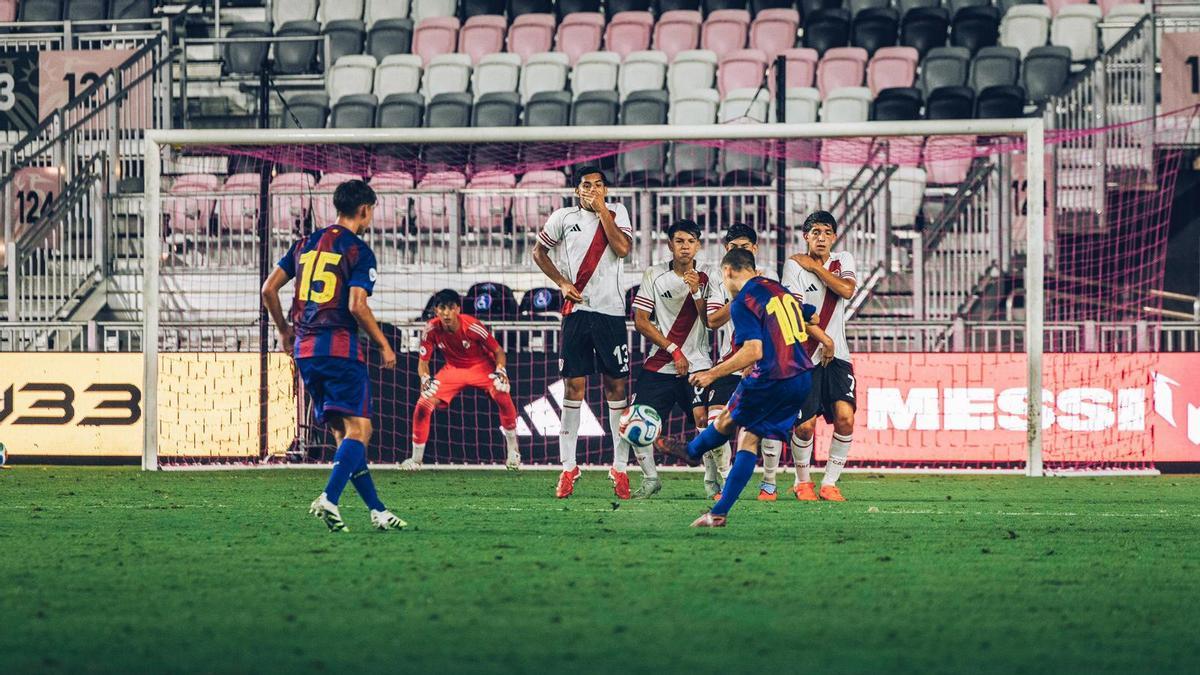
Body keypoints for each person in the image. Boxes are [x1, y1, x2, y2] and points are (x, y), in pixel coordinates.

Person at [261, 179, 406, 532]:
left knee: (344, 434)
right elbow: (357, 305)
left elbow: (268, 289)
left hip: (306, 352)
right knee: (362, 429)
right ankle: (329, 497)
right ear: (364, 210)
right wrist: (384, 344)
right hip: (339, 347)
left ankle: (377, 510)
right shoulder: (358, 250)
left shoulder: (304, 244)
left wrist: (283, 329)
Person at [656, 248, 834, 527]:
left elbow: (753, 351)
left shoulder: (742, 301)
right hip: (801, 379)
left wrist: (711, 374)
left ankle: (694, 454)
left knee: (734, 428)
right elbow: (811, 316)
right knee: (744, 434)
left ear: (727, 272)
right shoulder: (776, 288)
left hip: (773, 377)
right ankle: (715, 506)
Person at [531, 167, 634, 499]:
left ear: (605, 189)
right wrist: (562, 283)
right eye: (587, 186)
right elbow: (538, 253)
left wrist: (603, 210)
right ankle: (568, 467)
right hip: (576, 313)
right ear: (577, 190)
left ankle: (620, 467)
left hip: (612, 313)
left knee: (615, 386)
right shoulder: (562, 217)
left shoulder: (619, 213)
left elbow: (622, 249)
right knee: (573, 387)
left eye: (598, 185)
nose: (592, 190)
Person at [622, 219, 718, 499]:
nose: (685, 247)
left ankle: (712, 483)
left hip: (699, 364)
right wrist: (674, 350)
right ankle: (650, 478)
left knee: (707, 425)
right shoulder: (654, 274)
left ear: (698, 245)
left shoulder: (710, 275)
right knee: (635, 421)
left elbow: (710, 321)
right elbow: (640, 321)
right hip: (661, 363)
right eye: (679, 241)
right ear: (670, 245)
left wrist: (697, 291)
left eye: (690, 241)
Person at [702, 224, 784, 502]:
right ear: (727, 250)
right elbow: (712, 320)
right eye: (734, 247)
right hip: (732, 360)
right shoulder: (719, 277)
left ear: (755, 249)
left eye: (745, 247)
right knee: (715, 420)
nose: (740, 251)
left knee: (768, 424)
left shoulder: (769, 276)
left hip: (765, 360)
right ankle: (728, 483)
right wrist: (741, 293)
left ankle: (769, 484)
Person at [781, 211, 857, 502]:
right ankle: (803, 482)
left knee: (845, 418)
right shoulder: (792, 266)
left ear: (834, 237)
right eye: (815, 232)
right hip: (804, 356)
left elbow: (847, 290)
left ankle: (829, 483)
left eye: (827, 232)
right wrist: (823, 338)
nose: (821, 237)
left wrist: (815, 267)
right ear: (806, 237)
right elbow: (795, 313)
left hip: (839, 356)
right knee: (804, 425)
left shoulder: (843, 259)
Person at [401, 289, 521, 472]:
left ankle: (513, 452)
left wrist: (501, 370)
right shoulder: (430, 329)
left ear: (458, 309)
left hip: (481, 367)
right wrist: (425, 379)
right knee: (423, 404)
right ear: (436, 311)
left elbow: (498, 351)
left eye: (451, 308)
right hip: (453, 369)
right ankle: (415, 460)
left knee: (503, 395)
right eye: (442, 308)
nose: (447, 313)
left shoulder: (472, 326)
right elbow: (423, 363)